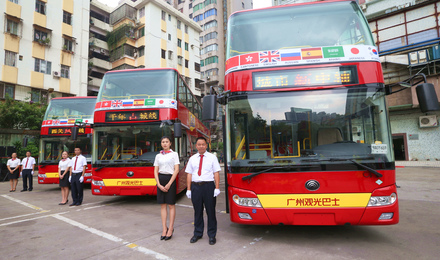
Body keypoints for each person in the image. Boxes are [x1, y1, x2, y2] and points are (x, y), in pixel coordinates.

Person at [185, 136, 221, 245]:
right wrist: (189, 189)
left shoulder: (212, 158)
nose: (201, 146)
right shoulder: (192, 158)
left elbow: (216, 173)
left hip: (208, 186)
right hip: (196, 187)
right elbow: (189, 174)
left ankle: (211, 235)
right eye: (199, 144)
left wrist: (217, 187)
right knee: (198, 211)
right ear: (196, 146)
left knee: (210, 211)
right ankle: (198, 233)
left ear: (206, 145)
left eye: (203, 144)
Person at [153, 136, 180, 241]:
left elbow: (176, 170)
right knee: (162, 205)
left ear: (170, 143)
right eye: (163, 142)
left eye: (166, 142)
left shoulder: (174, 154)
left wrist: (169, 184)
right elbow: (156, 171)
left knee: (171, 205)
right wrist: (158, 184)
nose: (165, 143)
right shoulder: (158, 156)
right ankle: (164, 228)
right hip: (160, 179)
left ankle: (171, 228)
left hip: (171, 179)